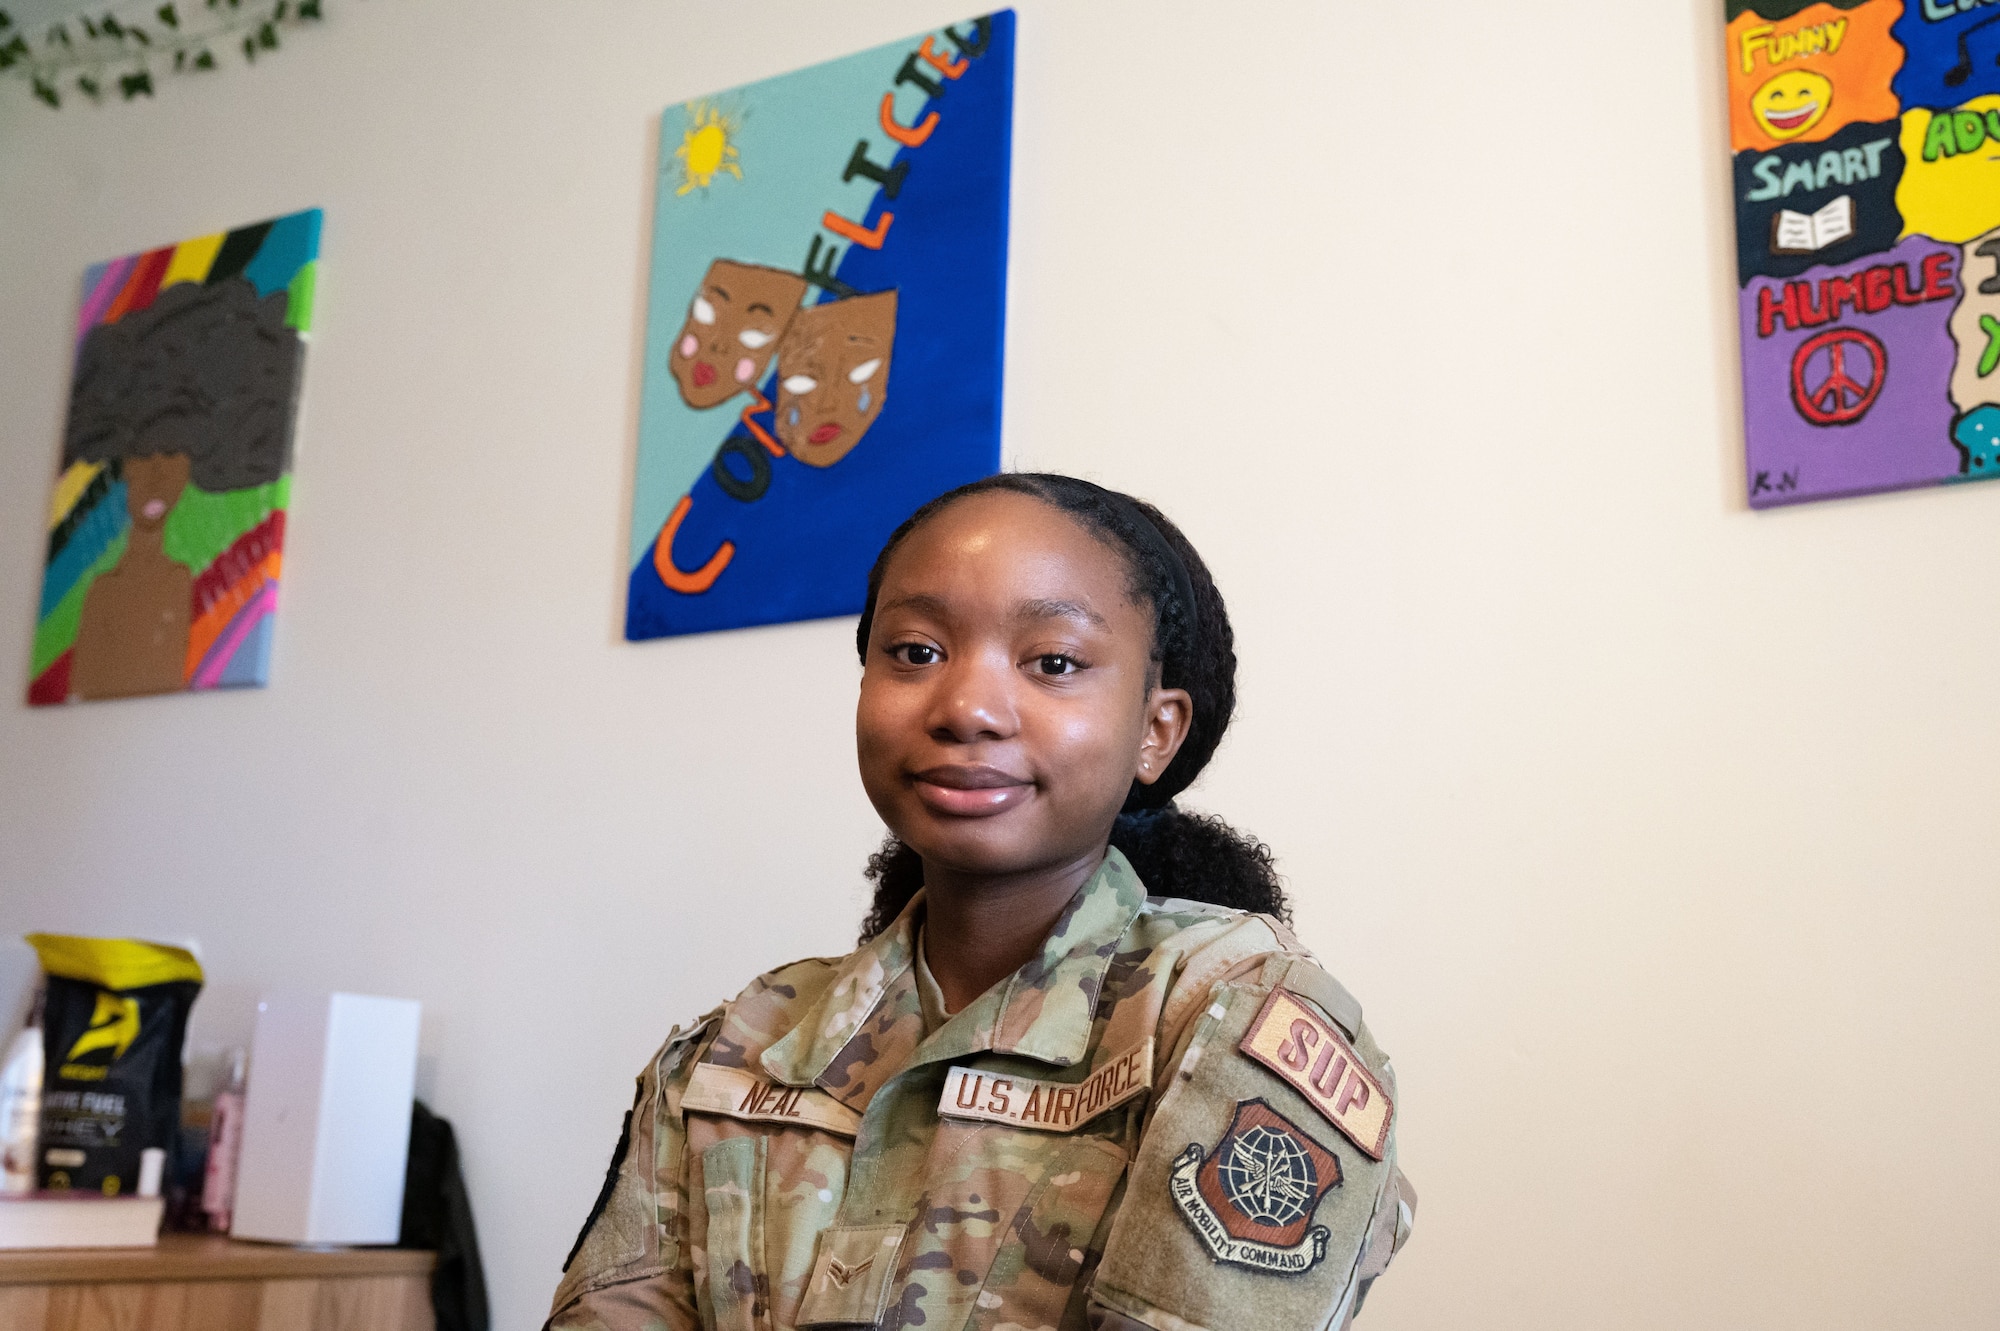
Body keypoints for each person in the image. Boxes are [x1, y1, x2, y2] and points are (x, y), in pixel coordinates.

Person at [552, 474, 1415, 1331]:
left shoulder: (1235, 1017)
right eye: (917, 651)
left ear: (1155, 730)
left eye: (1054, 662)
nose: (966, 707)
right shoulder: (731, 1052)